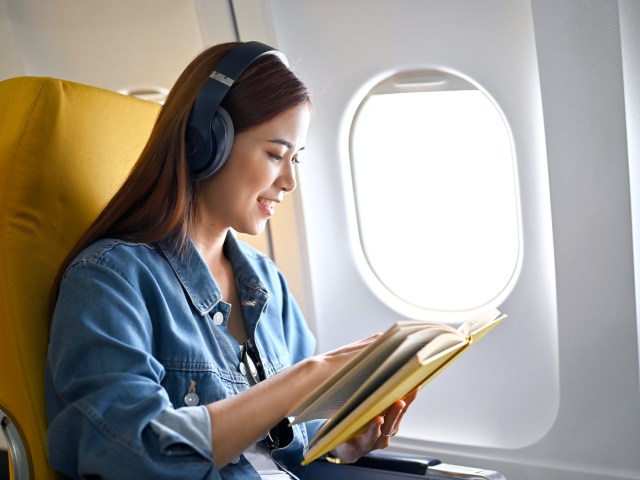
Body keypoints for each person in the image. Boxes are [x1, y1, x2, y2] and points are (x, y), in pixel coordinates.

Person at [45, 41, 417, 480]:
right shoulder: (110, 280)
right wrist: (303, 379)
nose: (290, 180)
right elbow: (127, 454)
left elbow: (294, 440)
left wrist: (346, 438)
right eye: (276, 154)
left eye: (296, 158)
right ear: (207, 143)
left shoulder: (265, 282)